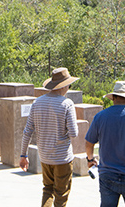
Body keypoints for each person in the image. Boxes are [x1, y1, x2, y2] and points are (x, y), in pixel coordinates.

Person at [19, 67, 80, 207]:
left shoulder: (37, 102)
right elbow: (74, 133)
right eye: (69, 85)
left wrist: (23, 155)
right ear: (64, 85)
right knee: (61, 194)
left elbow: (27, 130)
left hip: (45, 156)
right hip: (63, 158)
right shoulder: (67, 104)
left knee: (47, 189)